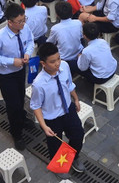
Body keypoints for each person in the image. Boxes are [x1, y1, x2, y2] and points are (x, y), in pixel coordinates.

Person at [29, 42, 85, 174]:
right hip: (52, 117)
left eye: (58, 58)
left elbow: (69, 84)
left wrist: (76, 99)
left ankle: (74, 157)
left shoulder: (65, 66)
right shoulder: (39, 84)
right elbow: (36, 106)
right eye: (53, 61)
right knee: (55, 145)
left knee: (78, 134)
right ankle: (59, 167)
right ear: (43, 63)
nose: (57, 63)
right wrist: (44, 126)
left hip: (68, 109)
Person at [0, 3, 34, 149]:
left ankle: (22, 117)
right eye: (20, 21)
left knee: (20, 96)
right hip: (6, 74)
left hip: (20, 70)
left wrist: (27, 53)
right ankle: (17, 133)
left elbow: (30, 41)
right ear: (10, 22)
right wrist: (12, 61)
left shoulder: (25, 29)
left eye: (24, 19)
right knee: (12, 105)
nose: (23, 23)